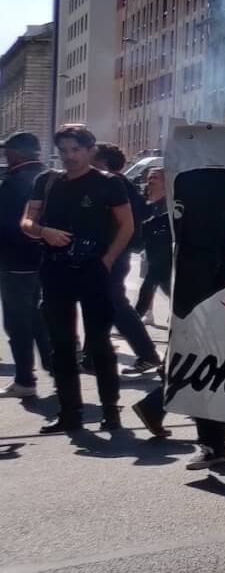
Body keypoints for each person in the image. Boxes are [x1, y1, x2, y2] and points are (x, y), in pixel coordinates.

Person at [23, 124, 134, 435]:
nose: (69, 156)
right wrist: (43, 231)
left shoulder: (108, 183)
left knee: (99, 344)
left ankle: (111, 411)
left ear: (89, 150)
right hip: (55, 270)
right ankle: (69, 412)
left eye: (76, 150)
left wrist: (108, 259)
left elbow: (126, 226)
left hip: (93, 271)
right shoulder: (47, 181)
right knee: (60, 346)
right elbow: (27, 220)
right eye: (64, 151)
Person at [88, 143, 163, 374]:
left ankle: (147, 354)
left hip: (113, 254)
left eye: (91, 157)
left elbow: (133, 218)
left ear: (103, 162)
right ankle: (90, 355)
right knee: (101, 304)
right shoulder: (114, 183)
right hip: (108, 253)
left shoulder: (115, 183)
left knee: (115, 305)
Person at [0, 132, 52, 399]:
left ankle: (24, 380)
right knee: (37, 317)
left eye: (7, 150)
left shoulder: (14, 182)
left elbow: (7, 225)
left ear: (18, 153)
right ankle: (56, 367)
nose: (5, 155)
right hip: (44, 259)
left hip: (17, 261)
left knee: (18, 323)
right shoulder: (48, 176)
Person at [132, 166, 172, 327]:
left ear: (164, 182)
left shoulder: (168, 203)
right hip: (150, 253)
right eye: (149, 177)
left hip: (163, 255)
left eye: (155, 177)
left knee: (150, 286)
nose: (150, 181)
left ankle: (133, 323)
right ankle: (144, 316)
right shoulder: (148, 202)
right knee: (159, 287)